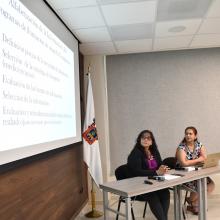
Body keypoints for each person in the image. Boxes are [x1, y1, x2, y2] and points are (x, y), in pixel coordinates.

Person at [127, 130, 170, 220]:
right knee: (153, 196)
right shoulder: (136, 153)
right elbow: (137, 172)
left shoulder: (154, 151)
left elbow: (160, 164)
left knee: (165, 192)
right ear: (139, 140)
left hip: (154, 181)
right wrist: (156, 172)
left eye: (148, 138)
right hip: (139, 184)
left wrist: (163, 168)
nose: (146, 140)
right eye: (143, 138)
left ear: (151, 141)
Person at [176, 126, 215, 215]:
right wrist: (198, 159)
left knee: (211, 185)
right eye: (186, 134)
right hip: (183, 175)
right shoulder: (181, 147)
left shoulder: (199, 145)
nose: (188, 135)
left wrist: (195, 160)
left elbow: (205, 158)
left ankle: (192, 202)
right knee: (201, 186)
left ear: (195, 136)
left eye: (190, 134)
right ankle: (194, 205)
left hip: (197, 172)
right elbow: (184, 163)